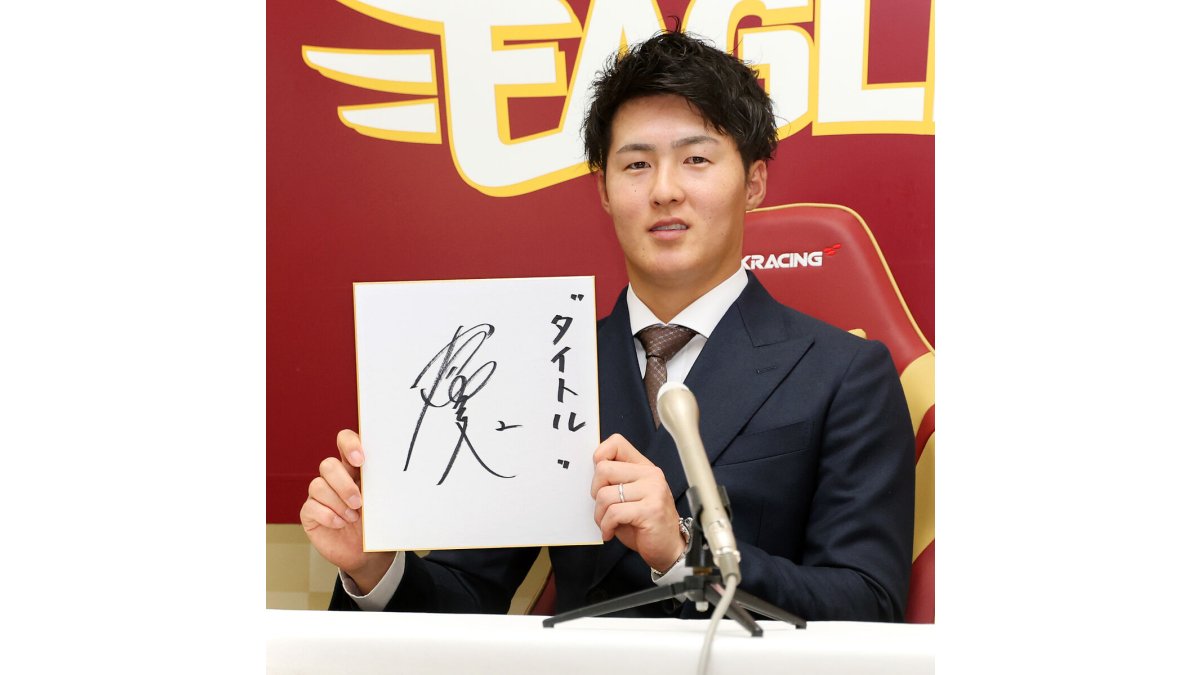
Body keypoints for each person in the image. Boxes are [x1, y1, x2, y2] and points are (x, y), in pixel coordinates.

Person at [300, 30, 915, 621]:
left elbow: (866, 604)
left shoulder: (845, 375)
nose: (665, 190)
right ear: (603, 189)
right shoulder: (541, 370)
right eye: (637, 164)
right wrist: (375, 566)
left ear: (753, 182)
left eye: (696, 159)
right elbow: (469, 597)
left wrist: (685, 553)